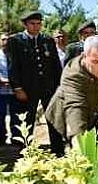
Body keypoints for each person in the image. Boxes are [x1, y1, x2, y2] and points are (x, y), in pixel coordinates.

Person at [6, 10, 64, 155]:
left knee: (53, 118)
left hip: (48, 87)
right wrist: (17, 87)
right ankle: (24, 151)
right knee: (25, 121)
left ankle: (58, 151)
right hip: (27, 88)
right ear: (25, 24)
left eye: (39, 24)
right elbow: (13, 66)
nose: (36, 27)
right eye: (32, 24)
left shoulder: (47, 40)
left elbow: (55, 65)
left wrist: (59, 86)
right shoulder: (15, 41)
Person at [0, 33, 20, 146]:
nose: (6, 42)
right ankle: (1, 140)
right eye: (3, 39)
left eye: (8, 39)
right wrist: (0, 80)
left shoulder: (17, 54)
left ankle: (16, 139)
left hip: (15, 91)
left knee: (16, 117)